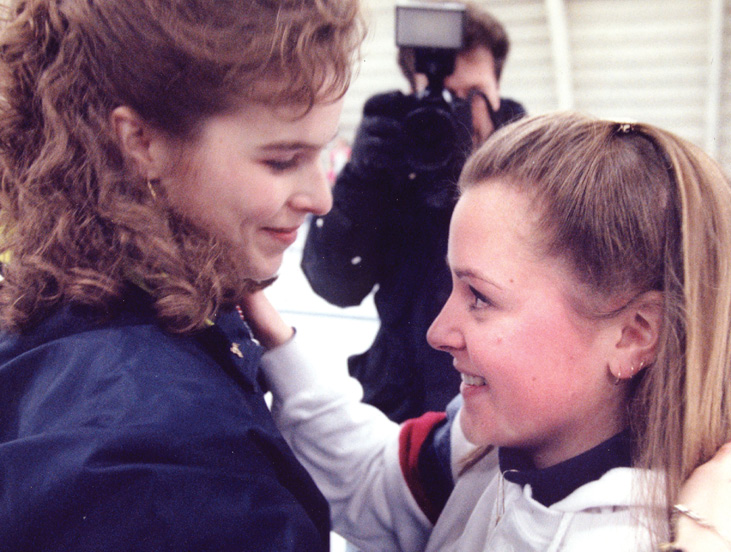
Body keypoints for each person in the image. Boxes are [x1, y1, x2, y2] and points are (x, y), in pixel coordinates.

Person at [243, 111, 731, 551]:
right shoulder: (492, 449)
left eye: (481, 297)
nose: (438, 332)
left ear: (634, 335)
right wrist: (274, 338)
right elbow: (377, 487)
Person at [0, 0, 364, 550]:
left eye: (323, 153)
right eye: (282, 160)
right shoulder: (165, 466)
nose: (321, 198)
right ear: (142, 142)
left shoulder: (61, 301)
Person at [301, 0, 526, 423]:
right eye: (442, 96)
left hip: (501, 403)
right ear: (412, 93)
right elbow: (334, 284)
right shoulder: (394, 162)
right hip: (399, 408)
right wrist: (362, 178)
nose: (457, 113)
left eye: (471, 95)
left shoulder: (541, 170)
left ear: (499, 89)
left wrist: (495, 175)